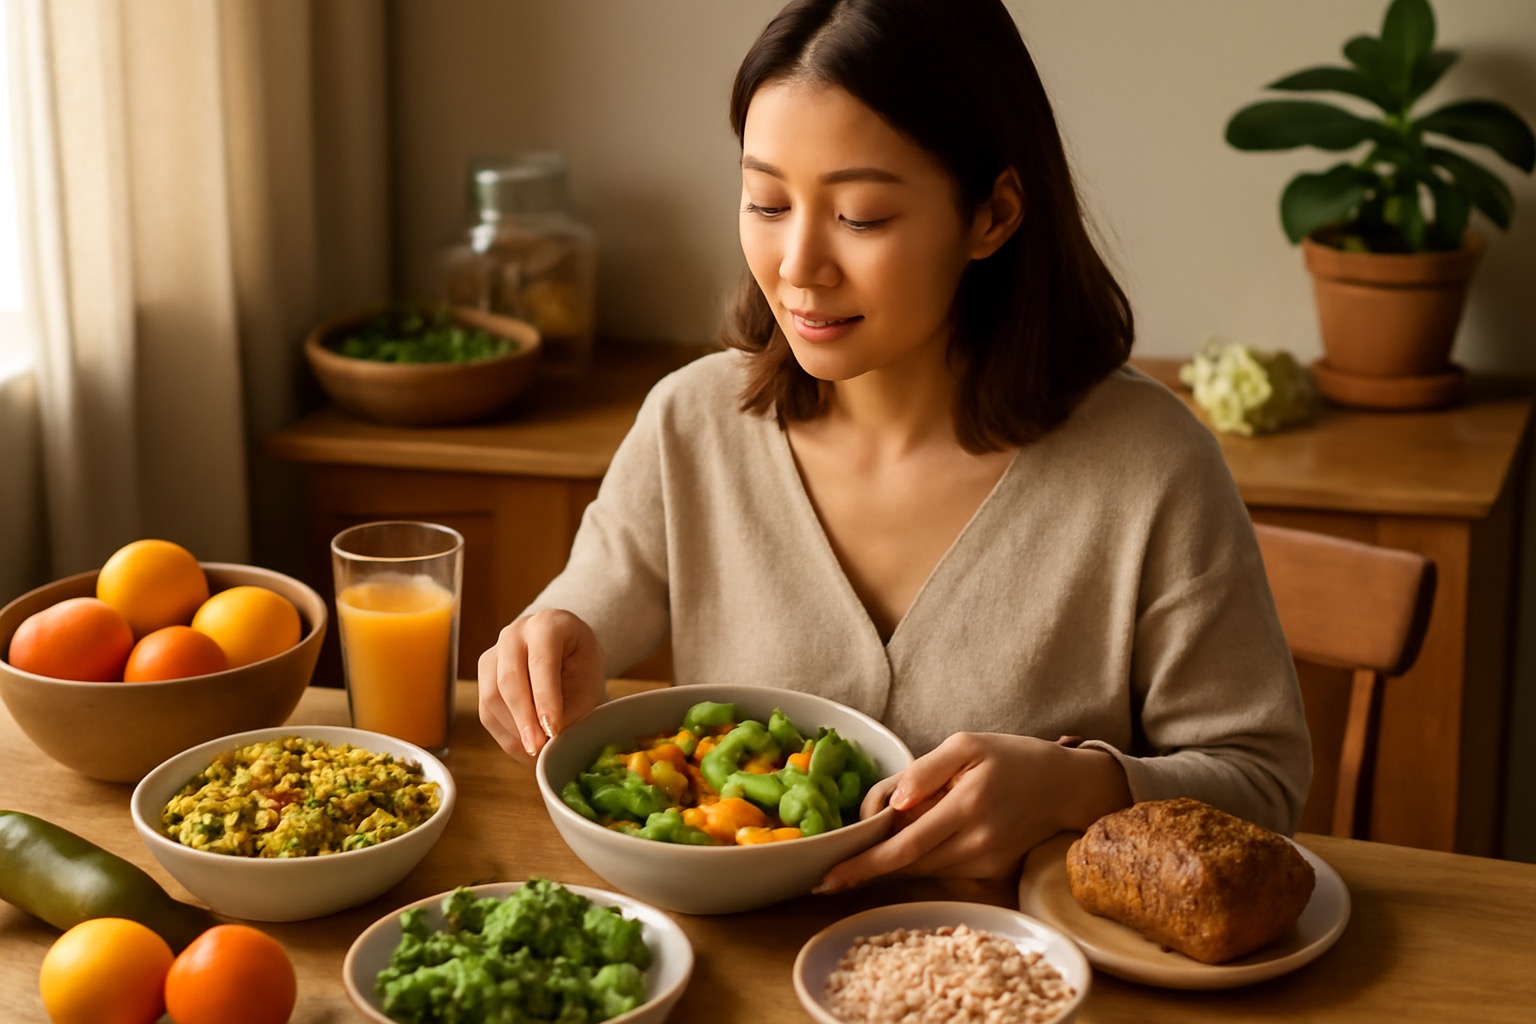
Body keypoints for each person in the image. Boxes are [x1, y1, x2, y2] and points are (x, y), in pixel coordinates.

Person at [478, 0, 1311, 893]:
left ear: (993, 213)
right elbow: (589, 608)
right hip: (740, 956)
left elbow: (1262, 785)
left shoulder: (1152, 466)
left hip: (1024, 960)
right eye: (766, 202)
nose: (798, 264)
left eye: (862, 216)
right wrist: (549, 643)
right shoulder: (692, 421)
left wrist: (1077, 786)